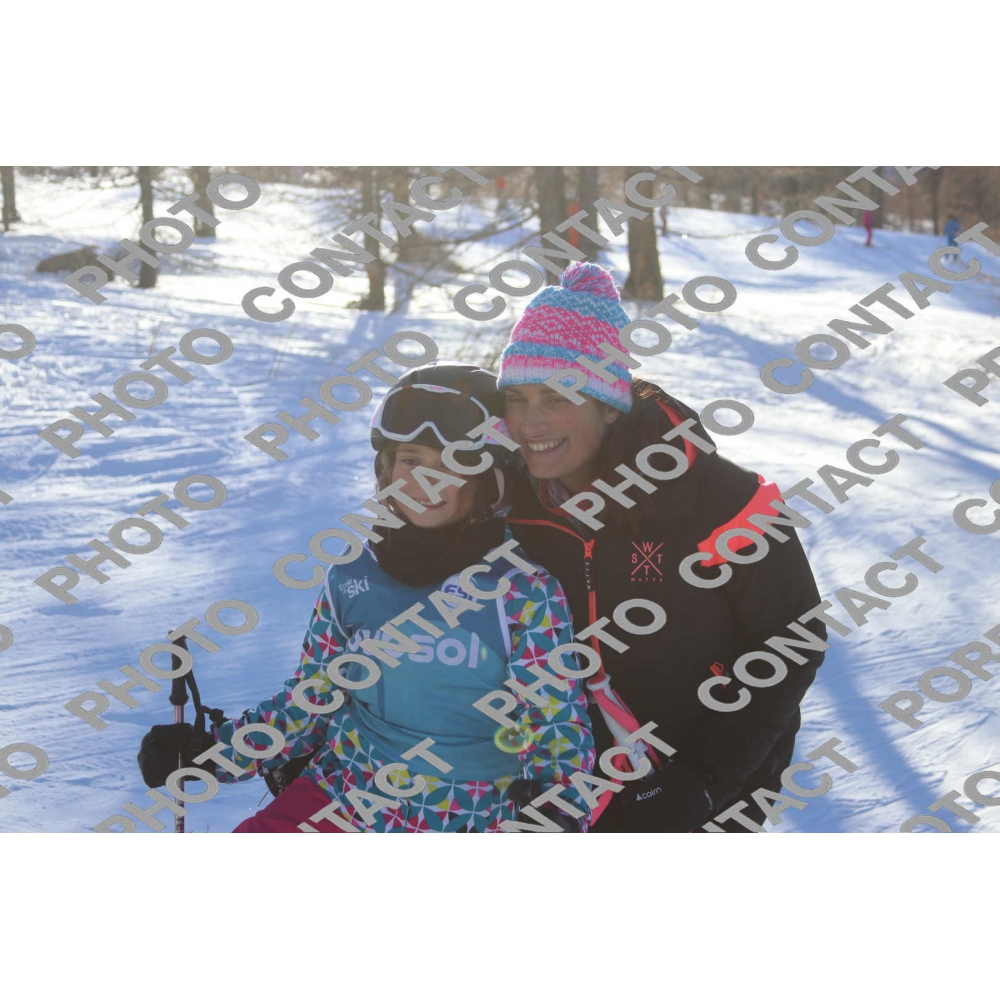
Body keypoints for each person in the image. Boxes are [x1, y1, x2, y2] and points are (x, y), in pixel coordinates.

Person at [137, 363, 595, 832]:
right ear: (386, 469)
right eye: (411, 460)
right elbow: (312, 701)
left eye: (452, 464)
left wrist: (556, 807)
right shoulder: (354, 575)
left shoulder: (521, 590)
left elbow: (554, 721)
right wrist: (212, 753)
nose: (426, 481)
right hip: (348, 790)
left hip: (468, 811)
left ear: (490, 478)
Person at [497, 262, 826, 833]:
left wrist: (704, 778)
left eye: (555, 397)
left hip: (711, 792)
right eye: (517, 398)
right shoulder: (513, 503)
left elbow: (795, 638)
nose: (530, 423)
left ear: (609, 403)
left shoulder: (722, 498)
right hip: (569, 792)